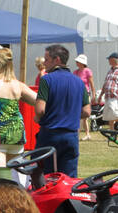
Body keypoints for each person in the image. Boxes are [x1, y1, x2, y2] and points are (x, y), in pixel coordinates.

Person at [29, 44, 89, 177]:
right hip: (71, 136)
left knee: (43, 178)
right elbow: (87, 111)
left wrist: (37, 118)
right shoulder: (79, 82)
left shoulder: (46, 80)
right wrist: (70, 114)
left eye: (46, 59)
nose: (44, 63)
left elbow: (40, 110)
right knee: (68, 180)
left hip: (50, 135)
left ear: (56, 60)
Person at [99, 52, 118, 125]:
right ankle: (112, 132)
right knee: (109, 116)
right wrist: (101, 94)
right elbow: (105, 83)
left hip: (116, 96)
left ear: (113, 60)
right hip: (108, 96)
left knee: (114, 114)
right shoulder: (110, 70)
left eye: (109, 59)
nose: (108, 61)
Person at [72, 53, 94, 140]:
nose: (76, 63)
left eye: (78, 61)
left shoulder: (88, 71)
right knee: (77, 114)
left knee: (85, 115)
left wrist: (94, 95)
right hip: (77, 94)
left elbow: (91, 84)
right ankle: (81, 133)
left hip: (86, 94)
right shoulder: (75, 72)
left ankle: (86, 133)